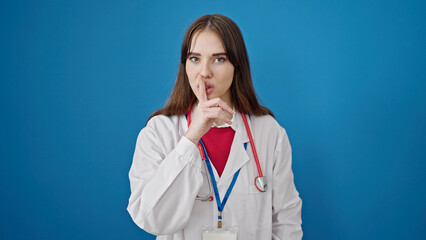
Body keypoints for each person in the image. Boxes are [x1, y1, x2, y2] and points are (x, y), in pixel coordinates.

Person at [127, 14, 302, 239]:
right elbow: (150, 219)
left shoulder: (269, 132)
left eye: (218, 59)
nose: (204, 72)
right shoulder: (158, 132)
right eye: (194, 58)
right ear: (184, 65)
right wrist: (190, 139)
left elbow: (287, 222)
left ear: (236, 66)